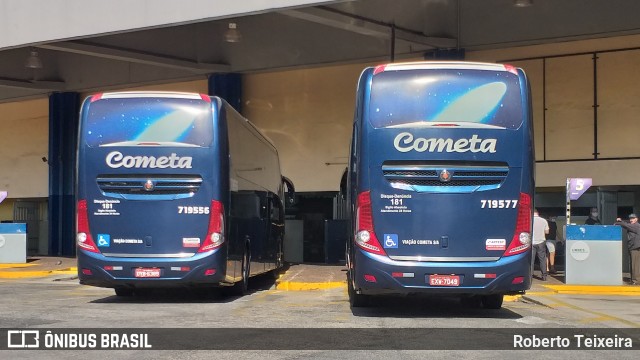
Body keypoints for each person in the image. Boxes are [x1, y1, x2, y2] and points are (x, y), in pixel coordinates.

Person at [615, 213, 640, 285]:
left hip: (636, 248)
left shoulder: (636, 226)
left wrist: (619, 222)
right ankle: (633, 280)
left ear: (636, 219)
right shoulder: (633, 225)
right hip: (632, 248)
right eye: (630, 219)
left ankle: (636, 281)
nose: (631, 220)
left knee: (635, 266)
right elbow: (627, 224)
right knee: (632, 265)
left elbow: (626, 225)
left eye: (633, 218)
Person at [532, 209, 549, 281]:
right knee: (542, 259)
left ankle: (530, 275)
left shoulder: (530, 220)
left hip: (532, 242)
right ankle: (544, 275)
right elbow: (547, 232)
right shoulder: (544, 220)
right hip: (541, 242)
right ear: (538, 213)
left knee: (531, 259)